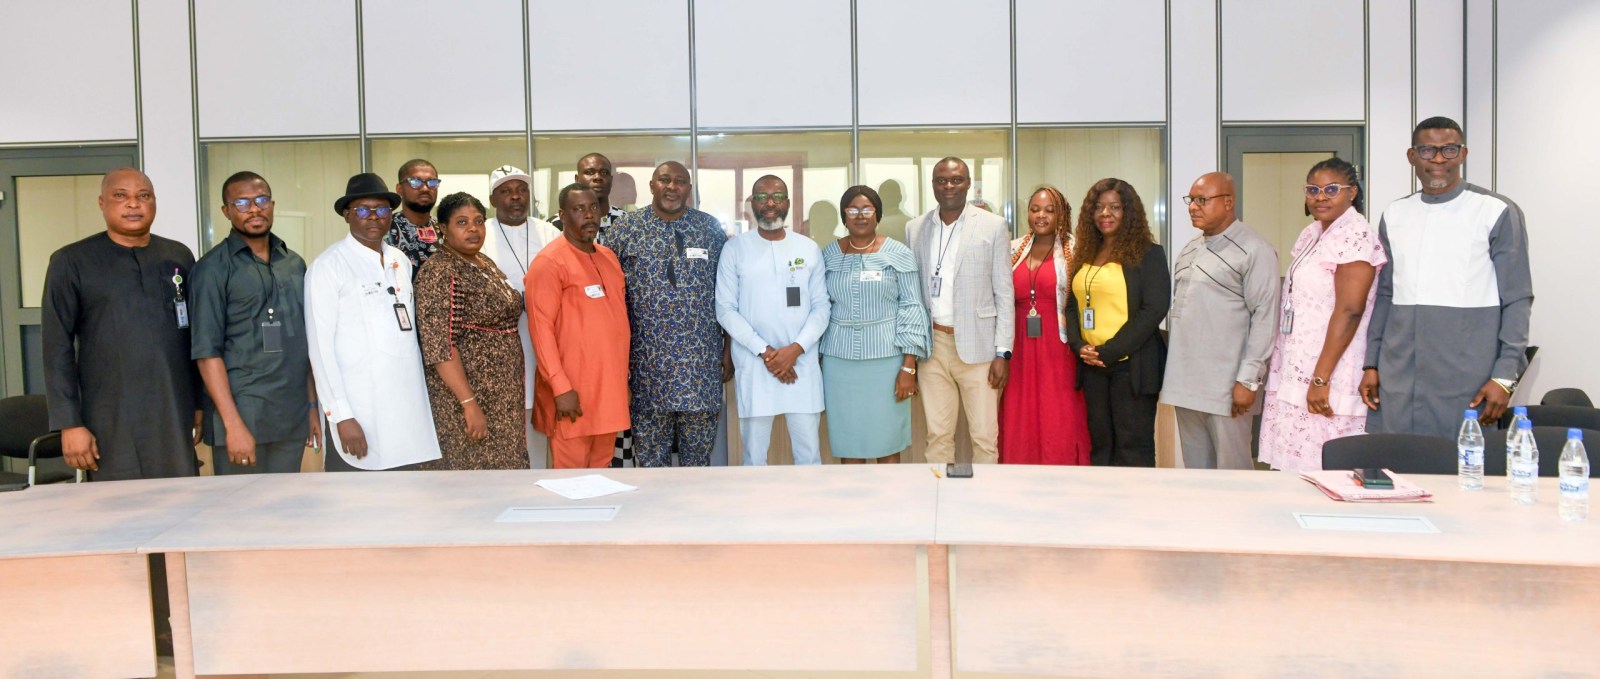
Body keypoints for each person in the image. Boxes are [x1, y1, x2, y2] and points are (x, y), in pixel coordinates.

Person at [1362, 116, 1534, 438]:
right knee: (1397, 460)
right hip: (1400, 373)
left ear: (1463, 154)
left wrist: (1505, 376)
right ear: (1412, 156)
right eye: (1427, 150)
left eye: (1449, 150)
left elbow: (1517, 299)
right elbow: (1385, 295)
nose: (1439, 159)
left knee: (1463, 462)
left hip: (1467, 376)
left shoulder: (1495, 210)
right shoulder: (1395, 214)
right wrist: (1371, 363)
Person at [42, 167, 201, 479]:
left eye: (144, 196)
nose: (133, 204)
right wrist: (69, 423)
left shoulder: (178, 256)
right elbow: (56, 346)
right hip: (109, 414)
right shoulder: (71, 261)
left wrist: (199, 403)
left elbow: (194, 337)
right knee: (118, 501)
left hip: (172, 407)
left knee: (181, 496)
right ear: (102, 203)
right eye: (121, 196)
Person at [305, 173, 441, 471]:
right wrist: (342, 416)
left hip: (406, 413)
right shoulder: (328, 267)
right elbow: (320, 351)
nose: (374, 217)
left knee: (407, 495)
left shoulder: (399, 261)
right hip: (360, 412)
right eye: (363, 210)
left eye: (381, 209)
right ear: (347, 215)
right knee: (357, 497)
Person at [1258, 158, 1387, 472]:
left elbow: (1350, 311)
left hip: (1331, 368)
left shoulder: (1355, 235)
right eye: (1312, 190)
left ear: (1352, 192)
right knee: (1295, 469)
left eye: (1331, 189)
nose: (1320, 197)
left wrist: (1320, 378)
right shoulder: (1313, 232)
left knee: (1326, 467)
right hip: (1300, 362)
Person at [190, 171, 319, 474]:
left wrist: (312, 408)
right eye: (242, 203)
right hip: (242, 416)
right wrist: (232, 425)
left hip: (290, 415)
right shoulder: (211, 269)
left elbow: (305, 344)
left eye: (261, 200)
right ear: (226, 211)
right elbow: (207, 353)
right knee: (241, 503)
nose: (254, 209)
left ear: (272, 205)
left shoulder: (294, 263)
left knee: (287, 502)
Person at [608, 161, 731, 467]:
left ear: (689, 189)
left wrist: (728, 351)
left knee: (698, 459)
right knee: (651, 461)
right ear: (652, 185)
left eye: (680, 181)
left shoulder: (710, 230)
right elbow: (611, 300)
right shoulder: (625, 230)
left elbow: (729, 295)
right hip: (645, 367)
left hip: (700, 366)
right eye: (664, 179)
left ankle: (694, 500)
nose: (672, 186)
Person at [1160, 172, 1280, 470]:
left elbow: (1266, 318)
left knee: (1233, 474)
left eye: (1202, 200)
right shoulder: (1190, 248)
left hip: (1228, 387)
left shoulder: (1254, 249)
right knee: (1197, 475)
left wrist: (1248, 380)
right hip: (1186, 384)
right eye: (1191, 200)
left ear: (1228, 202)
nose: (1193, 207)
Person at [716, 176, 830, 466]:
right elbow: (725, 309)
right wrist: (766, 353)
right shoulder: (734, 249)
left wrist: (795, 350)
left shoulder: (808, 248)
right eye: (762, 197)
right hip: (755, 365)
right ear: (752, 204)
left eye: (777, 197)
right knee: (754, 457)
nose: (770, 203)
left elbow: (821, 307)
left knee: (809, 455)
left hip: (801, 365)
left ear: (787, 203)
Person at [907, 158, 1013, 465]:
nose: (948, 186)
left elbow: (1004, 293)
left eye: (956, 180)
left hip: (979, 347)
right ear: (932, 185)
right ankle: (939, 492)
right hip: (933, 346)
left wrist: (1003, 353)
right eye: (941, 180)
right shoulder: (915, 228)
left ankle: (985, 495)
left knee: (984, 436)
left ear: (968, 184)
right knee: (937, 436)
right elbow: (912, 294)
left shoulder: (993, 225)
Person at [415, 192, 529, 470]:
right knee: (472, 476)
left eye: (478, 221)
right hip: (467, 399)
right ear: (443, 228)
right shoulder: (440, 271)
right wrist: (469, 403)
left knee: (505, 473)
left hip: (501, 396)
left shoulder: (483, 262)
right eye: (462, 222)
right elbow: (440, 346)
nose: (473, 229)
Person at [820, 186, 930, 463]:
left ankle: (889, 494)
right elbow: (820, 306)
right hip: (839, 362)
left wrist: (908, 366)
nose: (860, 215)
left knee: (887, 441)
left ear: (878, 214)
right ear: (844, 216)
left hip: (887, 362)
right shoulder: (828, 255)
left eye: (867, 209)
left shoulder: (899, 253)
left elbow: (912, 307)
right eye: (853, 210)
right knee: (848, 441)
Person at [1065, 178, 1170, 468]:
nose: (1105, 213)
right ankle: (1102, 498)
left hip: (1131, 367)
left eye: (1115, 207)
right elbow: (1072, 304)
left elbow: (1154, 309)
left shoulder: (1148, 253)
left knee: (1132, 448)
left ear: (1128, 212)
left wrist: (1110, 350)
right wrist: (1078, 345)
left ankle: (1137, 499)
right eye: (1099, 207)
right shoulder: (1086, 252)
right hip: (1093, 367)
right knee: (1101, 446)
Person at [527, 183, 632, 468]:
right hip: (572, 395)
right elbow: (541, 331)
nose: (589, 215)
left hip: (609, 392)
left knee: (602, 475)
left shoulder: (608, 257)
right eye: (578, 209)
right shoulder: (549, 262)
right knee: (569, 481)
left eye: (593, 207)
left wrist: (622, 382)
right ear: (562, 215)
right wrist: (560, 388)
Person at [999, 186, 1091, 466]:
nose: (1041, 215)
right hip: (1019, 347)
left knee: (1058, 411)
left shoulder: (1078, 249)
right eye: (1035, 209)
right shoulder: (1011, 248)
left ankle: (1062, 471)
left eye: (1050, 210)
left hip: (1058, 345)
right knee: (1020, 409)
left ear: (1062, 214)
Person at [478, 165, 561, 467]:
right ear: (492, 199)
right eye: (506, 191)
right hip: (497, 347)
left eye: (522, 190)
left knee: (539, 420)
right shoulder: (481, 233)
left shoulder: (548, 232)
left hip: (542, 341)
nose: (516, 197)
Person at [550, 153, 629, 242]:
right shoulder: (555, 225)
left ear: (611, 180)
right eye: (589, 172)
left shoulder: (626, 221)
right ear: (577, 179)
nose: (598, 177)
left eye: (604, 172)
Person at [387, 158, 441, 275]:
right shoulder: (385, 229)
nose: (425, 188)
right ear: (399, 189)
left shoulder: (444, 229)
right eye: (416, 182)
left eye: (432, 182)